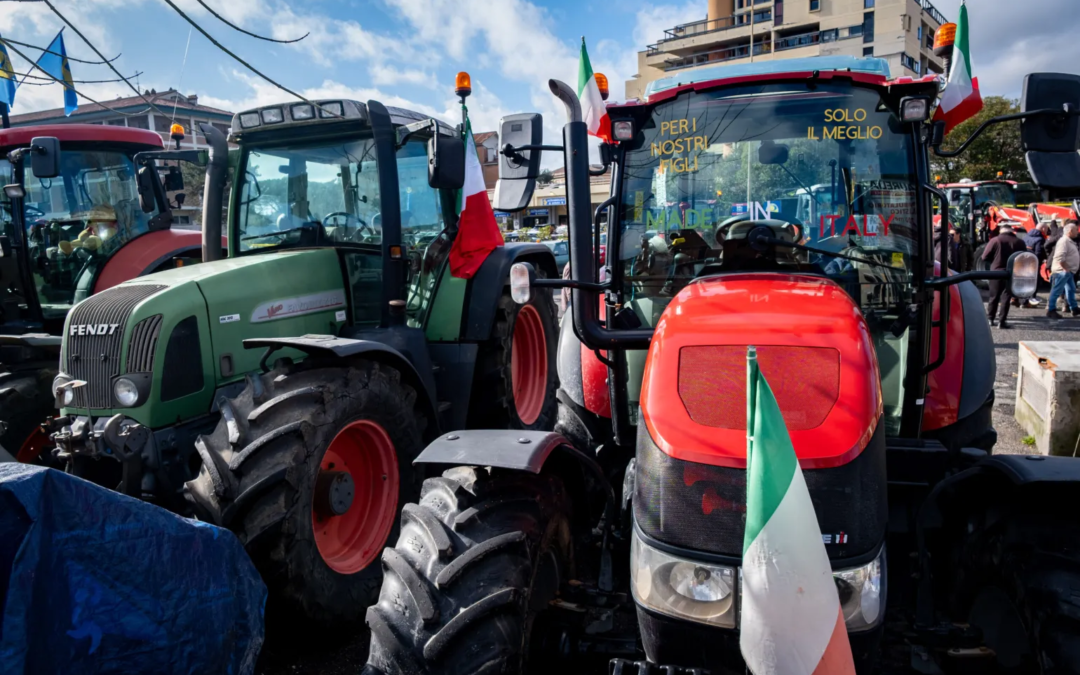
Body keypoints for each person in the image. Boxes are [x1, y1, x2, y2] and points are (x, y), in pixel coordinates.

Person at [982, 225, 1028, 328]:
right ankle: (1002, 322)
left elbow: (984, 256)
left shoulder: (995, 240)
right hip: (1012, 273)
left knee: (993, 297)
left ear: (1001, 231)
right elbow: (1025, 259)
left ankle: (990, 319)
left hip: (996, 272)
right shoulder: (1019, 242)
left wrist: (993, 262)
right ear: (1012, 231)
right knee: (1006, 297)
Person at [1047, 222, 1080, 319]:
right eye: (1076, 230)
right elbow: (1059, 257)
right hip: (1062, 271)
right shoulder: (1064, 241)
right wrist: (1065, 269)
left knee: (1071, 290)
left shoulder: (1068, 241)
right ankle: (1051, 310)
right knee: (1057, 290)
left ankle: (1074, 308)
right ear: (1070, 231)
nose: (1077, 232)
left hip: (1067, 271)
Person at [1022, 223, 1051, 306]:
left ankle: (1023, 300)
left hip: (1024, 262)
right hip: (1034, 264)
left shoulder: (1026, 236)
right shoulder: (1040, 239)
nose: (1047, 231)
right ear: (1042, 229)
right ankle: (1031, 299)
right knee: (1034, 282)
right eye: (1046, 229)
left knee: (1025, 281)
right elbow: (1038, 252)